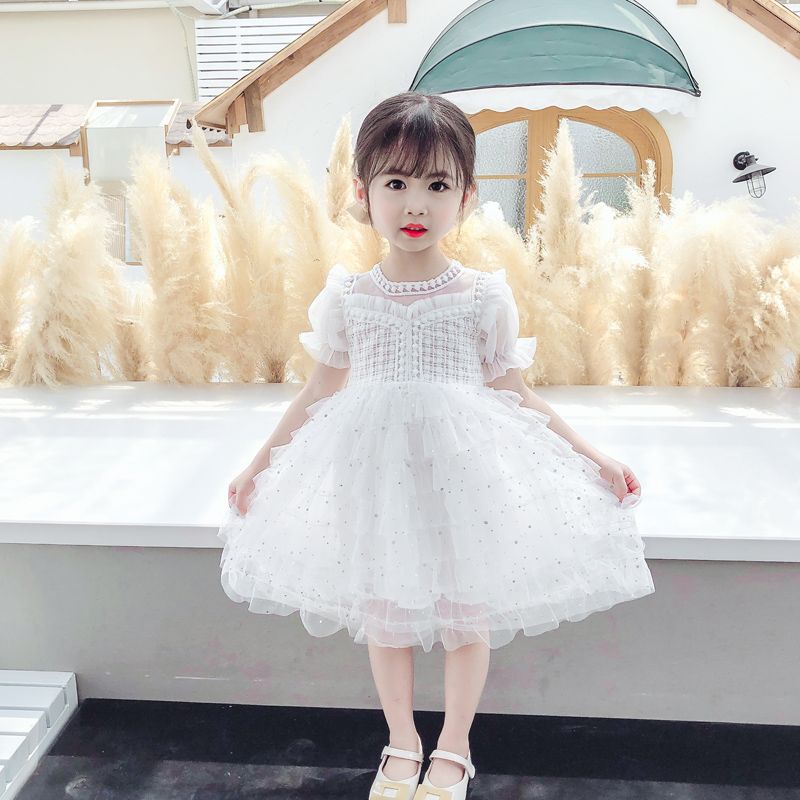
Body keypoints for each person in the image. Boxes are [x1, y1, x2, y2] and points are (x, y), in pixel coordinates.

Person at [217, 91, 655, 800]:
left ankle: (454, 745)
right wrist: (256, 466)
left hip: (462, 470)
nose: (414, 203)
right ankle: (400, 741)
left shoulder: (482, 294)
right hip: (371, 469)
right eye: (395, 182)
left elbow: (515, 391)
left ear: (467, 196)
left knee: (464, 610)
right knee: (384, 611)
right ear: (362, 192)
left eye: (437, 185)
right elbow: (319, 390)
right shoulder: (349, 296)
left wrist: (595, 457)